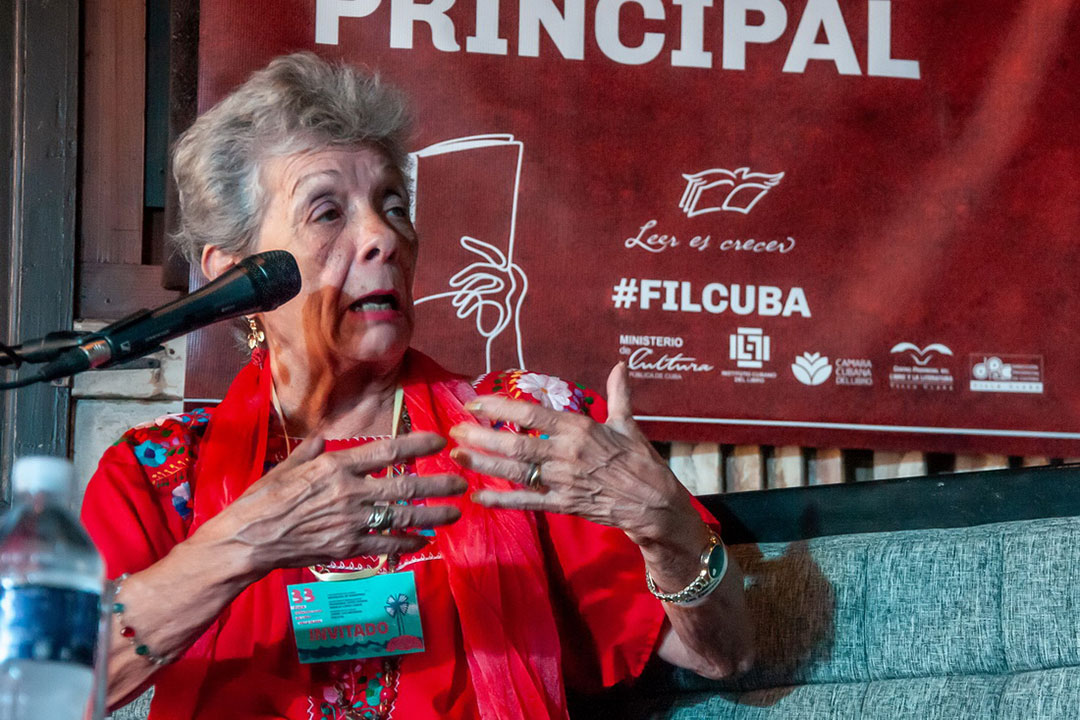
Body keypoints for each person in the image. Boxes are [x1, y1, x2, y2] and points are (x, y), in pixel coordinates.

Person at [81, 52, 753, 720]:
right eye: (327, 213)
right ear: (237, 280)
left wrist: (664, 524)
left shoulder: (520, 433)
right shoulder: (161, 478)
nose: (383, 237)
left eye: (393, 204)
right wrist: (246, 542)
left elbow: (724, 654)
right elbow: (47, 684)